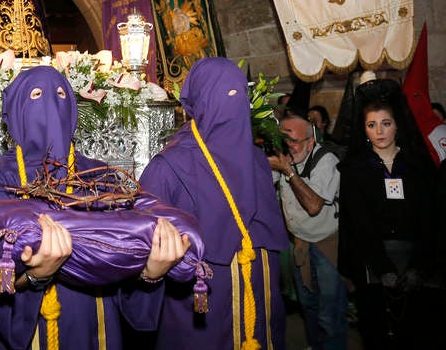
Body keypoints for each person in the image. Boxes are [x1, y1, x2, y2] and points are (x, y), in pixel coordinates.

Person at [0, 66, 188, 350]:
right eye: (36, 95)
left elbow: (125, 257)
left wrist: (150, 273)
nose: (50, 104)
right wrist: (35, 277)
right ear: (17, 108)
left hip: (96, 334)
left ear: (71, 108)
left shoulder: (100, 177)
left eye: (61, 95)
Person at [139, 57, 288, 349]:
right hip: (203, 313)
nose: (234, 103)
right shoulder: (168, 165)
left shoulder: (256, 159)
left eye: (239, 93)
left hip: (261, 305)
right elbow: (142, 253)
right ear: (199, 101)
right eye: (221, 93)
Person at [337, 77, 442, 348]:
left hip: (417, 263)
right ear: (364, 130)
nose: (379, 132)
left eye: (386, 123)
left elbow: (429, 218)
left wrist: (420, 266)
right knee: (379, 333)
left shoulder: (417, 165)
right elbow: (359, 224)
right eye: (371, 125)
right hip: (373, 265)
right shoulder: (354, 169)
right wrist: (383, 268)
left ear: (397, 125)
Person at [268, 114, 348, 349]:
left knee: (329, 313)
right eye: (284, 142)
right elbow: (261, 180)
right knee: (308, 306)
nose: (289, 148)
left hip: (327, 245)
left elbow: (313, 206)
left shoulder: (326, 160)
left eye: (294, 142)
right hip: (301, 243)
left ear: (311, 142)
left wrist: (288, 171)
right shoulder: (286, 156)